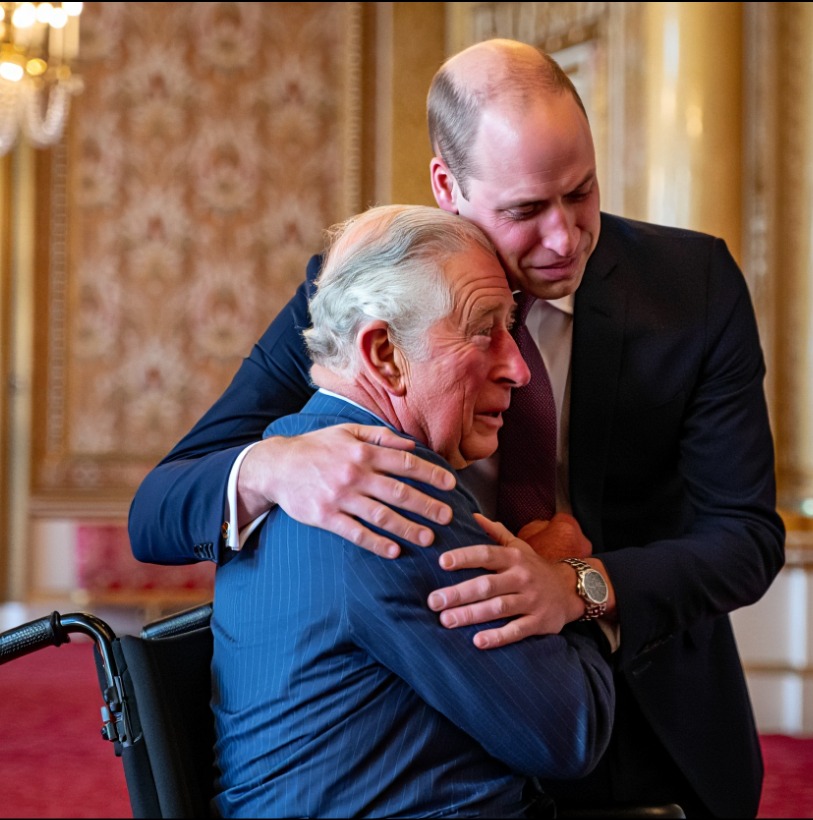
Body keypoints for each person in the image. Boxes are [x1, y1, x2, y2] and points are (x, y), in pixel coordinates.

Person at [130, 38, 786, 817]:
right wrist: (276, 467)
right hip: (448, 747)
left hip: (652, 722)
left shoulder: (690, 286)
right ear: (449, 185)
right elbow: (158, 511)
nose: (564, 237)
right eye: (524, 210)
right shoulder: (361, 287)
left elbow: (745, 537)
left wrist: (580, 588)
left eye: (581, 194)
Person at [211, 203, 615, 818]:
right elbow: (572, 732)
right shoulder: (388, 493)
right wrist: (569, 573)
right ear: (384, 354)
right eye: (484, 330)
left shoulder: (296, 454)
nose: (519, 367)